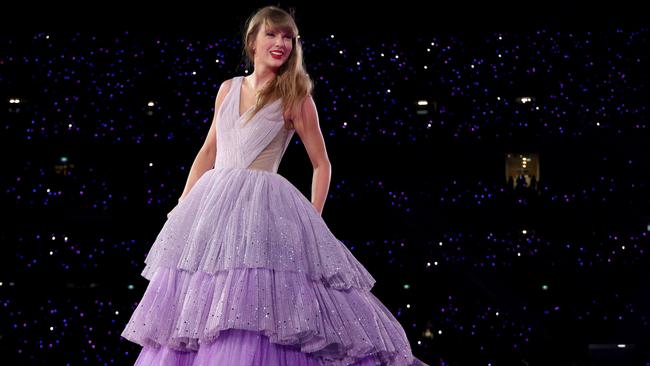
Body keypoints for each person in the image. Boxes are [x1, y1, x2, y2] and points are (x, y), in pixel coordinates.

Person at [121, 5, 429, 365]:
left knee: (255, 298)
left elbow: (322, 164)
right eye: (272, 34)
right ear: (253, 41)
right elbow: (208, 151)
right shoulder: (227, 89)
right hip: (213, 207)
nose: (281, 43)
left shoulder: (296, 98)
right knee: (201, 297)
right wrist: (182, 205)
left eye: (288, 37)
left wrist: (313, 220)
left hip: (261, 206)